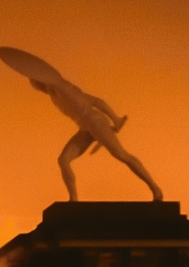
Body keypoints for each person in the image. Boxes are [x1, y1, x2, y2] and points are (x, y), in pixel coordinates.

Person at [29, 76, 163, 202]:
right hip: (85, 128)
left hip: (96, 122)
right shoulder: (54, 96)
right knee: (63, 160)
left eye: (36, 81)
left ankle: (155, 188)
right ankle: (73, 199)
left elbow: (96, 101)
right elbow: (92, 100)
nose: (37, 86)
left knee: (121, 154)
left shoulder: (63, 87)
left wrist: (115, 119)